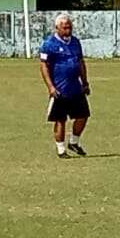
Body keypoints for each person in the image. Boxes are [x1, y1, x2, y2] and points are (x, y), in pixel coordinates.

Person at [39, 14, 90, 159]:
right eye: (65, 28)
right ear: (57, 28)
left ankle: (74, 142)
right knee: (60, 119)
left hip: (76, 87)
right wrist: (50, 87)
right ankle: (61, 149)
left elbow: (80, 62)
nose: (68, 30)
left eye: (70, 27)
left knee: (83, 116)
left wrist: (85, 82)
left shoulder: (75, 42)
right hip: (60, 89)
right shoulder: (49, 44)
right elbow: (44, 66)